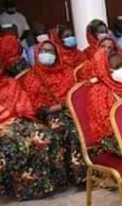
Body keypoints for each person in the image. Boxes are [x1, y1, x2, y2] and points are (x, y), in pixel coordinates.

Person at [20, 40, 85, 187]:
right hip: (49, 114)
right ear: (37, 53)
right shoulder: (32, 76)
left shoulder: (66, 71)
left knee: (82, 127)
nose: (47, 55)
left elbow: (74, 94)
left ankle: (83, 173)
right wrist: (59, 106)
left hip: (70, 110)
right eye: (44, 51)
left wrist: (66, 106)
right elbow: (37, 107)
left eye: (51, 52)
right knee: (68, 130)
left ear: (56, 55)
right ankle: (73, 176)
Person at [0, 57, 63, 200]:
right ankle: (24, 189)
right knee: (21, 144)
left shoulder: (10, 82)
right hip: (2, 126)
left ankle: (45, 183)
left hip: (18, 120)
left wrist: (16, 114)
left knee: (46, 135)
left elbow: (23, 103)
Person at [86, 47, 122, 155]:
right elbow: (106, 127)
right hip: (113, 137)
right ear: (105, 69)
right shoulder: (98, 92)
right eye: (116, 67)